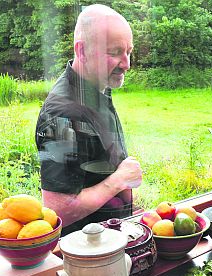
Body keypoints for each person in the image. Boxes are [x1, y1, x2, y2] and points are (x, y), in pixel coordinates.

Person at [36, 4, 142, 236]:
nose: (126, 64)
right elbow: (58, 209)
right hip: (87, 255)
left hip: (111, 239)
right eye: (114, 52)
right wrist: (120, 179)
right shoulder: (62, 113)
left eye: (129, 52)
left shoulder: (97, 89)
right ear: (82, 51)